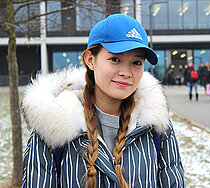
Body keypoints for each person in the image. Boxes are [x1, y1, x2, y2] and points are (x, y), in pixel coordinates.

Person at [22, 14, 185, 187]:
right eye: (115, 59)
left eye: (136, 62)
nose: (126, 72)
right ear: (90, 60)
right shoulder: (52, 126)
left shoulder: (156, 126)